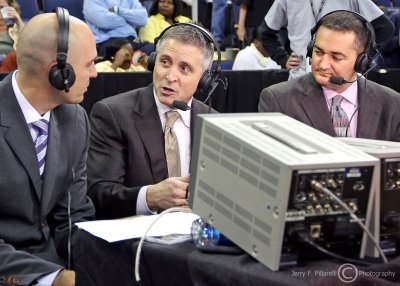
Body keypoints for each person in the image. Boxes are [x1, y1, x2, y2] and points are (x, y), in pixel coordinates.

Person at [0, 9, 96, 286]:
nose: (95, 73)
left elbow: (73, 215)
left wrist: (108, 262)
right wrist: (52, 279)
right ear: (58, 71)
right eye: (89, 63)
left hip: (54, 264)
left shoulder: (76, 119)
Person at [87, 23, 216, 219]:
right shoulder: (112, 114)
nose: (170, 76)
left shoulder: (213, 122)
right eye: (165, 62)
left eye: (184, 68)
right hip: (137, 241)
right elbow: (98, 194)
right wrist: (149, 197)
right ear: (153, 61)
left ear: (204, 79)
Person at [258, 10, 400, 141]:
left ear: (362, 61)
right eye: (318, 52)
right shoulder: (278, 100)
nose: (323, 64)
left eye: (336, 57)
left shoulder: (392, 104)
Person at [259, 0, 395, 79]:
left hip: (341, 80)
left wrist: (360, 59)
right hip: (301, 78)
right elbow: (266, 33)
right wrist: (282, 58)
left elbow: (384, 28)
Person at [82, 0, 148, 57]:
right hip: (107, 40)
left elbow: (143, 19)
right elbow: (104, 22)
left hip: (132, 39)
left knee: (153, 50)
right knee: (125, 52)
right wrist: (130, 19)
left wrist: (118, 10)